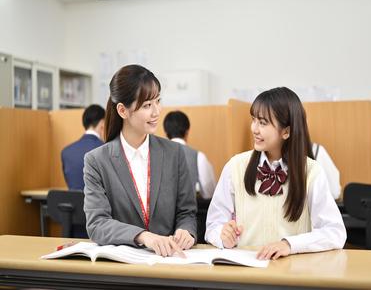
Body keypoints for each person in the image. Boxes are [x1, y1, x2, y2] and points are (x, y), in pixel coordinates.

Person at [205, 87, 346, 260]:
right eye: (254, 120)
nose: (254, 129)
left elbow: (335, 232)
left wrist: (289, 244)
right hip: (246, 272)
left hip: (294, 274)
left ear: (286, 131)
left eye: (263, 123)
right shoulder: (235, 167)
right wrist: (223, 235)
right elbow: (213, 225)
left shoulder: (311, 171)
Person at [83, 64, 197, 257]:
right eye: (147, 105)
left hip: (168, 263)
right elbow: (97, 224)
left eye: (158, 101)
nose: (156, 112)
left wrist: (186, 231)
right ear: (122, 111)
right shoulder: (96, 161)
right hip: (122, 267)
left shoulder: (175, 153)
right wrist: (143, 236)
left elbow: (187, 212)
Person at [163, 110, 216, 199]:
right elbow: (209, 192)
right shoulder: (198, 157)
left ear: (166, 133)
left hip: (161, 212)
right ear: (187, 132)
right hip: (193, 211)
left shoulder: (155, 157)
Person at [61, 104, 105, 191]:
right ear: (102, 123)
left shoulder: (66, 152)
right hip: (97, 204)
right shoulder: (105, 150)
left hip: (73, 204)